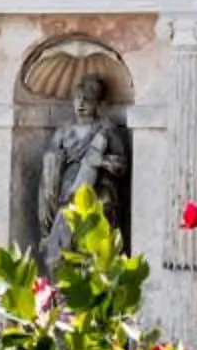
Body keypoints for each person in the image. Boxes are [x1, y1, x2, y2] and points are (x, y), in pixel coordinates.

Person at [37, 74, 132, 258]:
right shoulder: (64, 131)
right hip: (68, 190)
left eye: (87, 99)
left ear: (98, 103)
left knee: (95, 228)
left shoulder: (106, 130)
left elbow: (122, 164)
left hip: (100, 190)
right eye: (78, 98)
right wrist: (57, 159)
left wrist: (101, 161)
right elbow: (50, 162)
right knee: (65, 228)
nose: (81, 103)